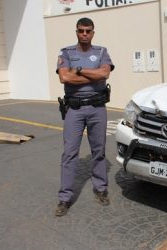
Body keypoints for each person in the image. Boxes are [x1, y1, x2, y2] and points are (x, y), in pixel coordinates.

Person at [55, 17, 115, 217]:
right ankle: (64, 198)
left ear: (93, 32)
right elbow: (65, 77)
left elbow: (104, 74)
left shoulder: (101, 52)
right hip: (74, 109)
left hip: (97, 108)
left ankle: (100, 188)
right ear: (76, 31)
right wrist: (92, 73)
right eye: (81, 30)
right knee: (69, 153)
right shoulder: (66, 52)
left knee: (98, 151)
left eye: (88, 31)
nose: (84, 34)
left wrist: (78, 70)